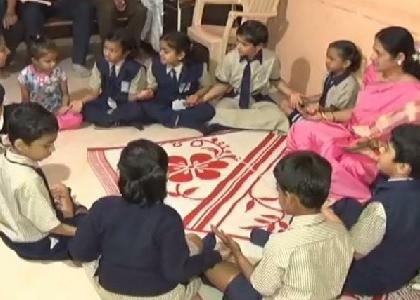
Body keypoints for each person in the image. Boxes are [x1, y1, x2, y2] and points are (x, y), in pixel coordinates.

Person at [69, 139, 222, 299]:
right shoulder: (168, 218)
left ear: (121, 174)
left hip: (109, 291)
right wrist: (214, 256)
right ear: (162, 177)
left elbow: (79, 252)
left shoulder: (103, 206)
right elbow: (176, 272)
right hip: (160, 295)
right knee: (194, 242)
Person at [286, 26, 420, 202]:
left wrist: (367, 145)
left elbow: (404, 144)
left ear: (400, 58)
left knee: (337, 163)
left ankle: (312, 182)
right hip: (349, 133)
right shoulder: (373, 73)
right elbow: (357, 112)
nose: (372, 57)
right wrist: (326, 117)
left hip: (373, 153)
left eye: (378, 53)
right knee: (302, 129)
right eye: (373, 50)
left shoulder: (413, 95)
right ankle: (307, 178)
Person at [204, 151, 353, 300]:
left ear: (289, 198)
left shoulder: (282, 244)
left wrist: (237, 253)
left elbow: (261, 287)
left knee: (212, 265)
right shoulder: (341, 233)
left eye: (279, 191)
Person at [323, 124, 420, 298]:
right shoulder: (408, 185)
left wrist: (327, 215)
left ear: (403, 167)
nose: (381, 149)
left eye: (387, 149)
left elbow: (352, 252)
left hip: (371, 279)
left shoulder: (381, 208)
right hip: (404, 268)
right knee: (346, 205)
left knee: (323, 228)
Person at [0, 103, 87, 260]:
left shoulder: (5, 152)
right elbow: (52, 226)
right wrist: (80, 233)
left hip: (9, 230)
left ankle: (68, 210)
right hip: (34, 242)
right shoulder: (29, 181)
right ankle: (71, 214)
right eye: (47, 145)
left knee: (64, 197)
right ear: (20, 145)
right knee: (88, 229)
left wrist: (43, 195)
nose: (52, 150)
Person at [200, 20, 295, 133]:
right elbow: (222, 85)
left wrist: (291, 93)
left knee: (277, 116)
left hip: (257, 100)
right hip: (234, 99)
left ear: (259, 47)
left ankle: (235, 125)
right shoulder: (230, 58)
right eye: (237, 41)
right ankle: (249, 125)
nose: (238, 46)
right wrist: (203, 99)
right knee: (218, 112)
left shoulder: (271, 58)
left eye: (244, 44)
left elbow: (276, 81)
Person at [137, 31, 215, 131]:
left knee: (209, 110)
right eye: (160, 50)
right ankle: (180, 119)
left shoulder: (197, 67)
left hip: (185, 104)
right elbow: (152, 86)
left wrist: (196, 95)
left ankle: (172, 118)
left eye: (166, 52)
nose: (161, 54)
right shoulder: (155, 64)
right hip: (162, 102)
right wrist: (149, 91)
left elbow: (206, 86)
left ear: (180, 55)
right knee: (143, 106)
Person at [71, 29, 145, 129]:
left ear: (126, 52)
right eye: (105, 49)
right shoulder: (100, 64)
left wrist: (140, 95)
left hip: (124, 103)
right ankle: (113, 120)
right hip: (105, 100)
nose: (107, 53)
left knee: (137, 110)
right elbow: (94, 93)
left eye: (113, 51)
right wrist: (81, 102)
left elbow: (131, 98)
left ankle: (109, 118)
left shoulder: (136, 69)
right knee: (87, 108)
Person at [281, 40, 362, 124]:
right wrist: (307, 99)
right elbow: (324, 95)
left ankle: (301, 122)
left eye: (331, 59)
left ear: (346, 63)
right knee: (285, 104)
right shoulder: (329, 74)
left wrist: (310, 110)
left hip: (333, 120)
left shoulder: (349, 85)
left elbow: (334, 110)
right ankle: (300, 121)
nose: (327, 61)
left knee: (297, 113)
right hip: (321, 112)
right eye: (327, 57)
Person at [18, 36, 83, 130]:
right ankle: (47, 125)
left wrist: (64, 107)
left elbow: (65, 95)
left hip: (57, 111)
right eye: (48, 61)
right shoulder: (24, 75)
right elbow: (25, 100)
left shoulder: (58, 72)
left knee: (77, 118)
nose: (53, 64)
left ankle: (49, 125)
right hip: (37, 113)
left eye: (55, 60)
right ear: (34, 61)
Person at [20, 0, 93, 77]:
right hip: (34, 3)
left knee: (84, 7)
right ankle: (36, 61)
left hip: (58, 2)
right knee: (31, 12)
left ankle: (79, 61)